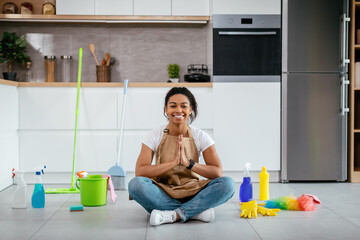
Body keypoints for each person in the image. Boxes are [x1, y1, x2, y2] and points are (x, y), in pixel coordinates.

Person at [128, 87, 235, 226]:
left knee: (228, 184)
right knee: (135, 185)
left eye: (183, 106)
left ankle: (173, 214)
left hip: (193, 190)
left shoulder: (200, 136)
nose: (178, 110)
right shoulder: (154, 135)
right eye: (173, 106)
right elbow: (140, 171)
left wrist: (188, 164)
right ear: (166, 109)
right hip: (163, 191)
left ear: (190, 110)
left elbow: (217, 172)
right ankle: (195, 211)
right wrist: (172, 163)